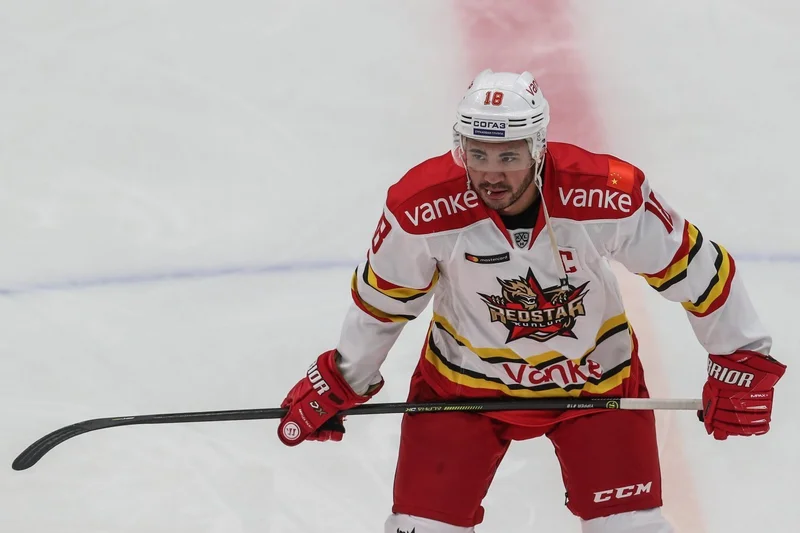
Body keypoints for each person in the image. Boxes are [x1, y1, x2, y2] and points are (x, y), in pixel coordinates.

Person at [275, 69, 787, 533]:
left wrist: (741, 359)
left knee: (632, 529)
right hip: (463, 391)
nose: (491, 174)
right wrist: (344, 378)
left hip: (594, 385)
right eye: (478, 155)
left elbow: (700, 270)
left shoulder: (607, 192)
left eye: (508, 156)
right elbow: (382, 304)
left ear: (538, 148)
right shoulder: (421, 205)